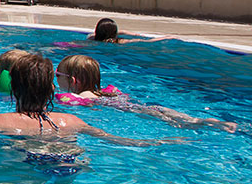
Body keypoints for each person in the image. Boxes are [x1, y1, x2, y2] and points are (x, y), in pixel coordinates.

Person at [0, 53, 167, 149]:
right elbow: (118, 140)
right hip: (65, 160)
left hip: (20, 160)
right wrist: (159, 142)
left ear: (13, 89)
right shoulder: (72, 120)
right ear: (51, 90)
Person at [55, 54, 235, 132]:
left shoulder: (83, 97)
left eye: (58, 75)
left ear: (73, 81)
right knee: (172, 115)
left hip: (129, 111)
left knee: (173, 123)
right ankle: (209, 121)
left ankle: (202, 124)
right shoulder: (105, 93)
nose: (56, 79)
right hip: (139, 106)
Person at [88, 17, 172, 44]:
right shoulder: (119, 42)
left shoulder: (92, 38)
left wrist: (133, 34)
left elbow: (121, 32)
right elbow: (144, 41)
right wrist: (166, 37)